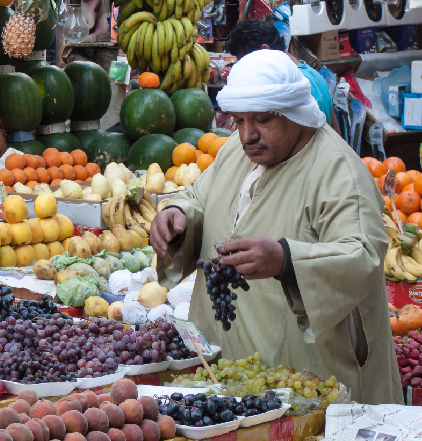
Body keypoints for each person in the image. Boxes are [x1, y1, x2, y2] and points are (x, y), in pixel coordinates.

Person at [150, 50, 402, 405]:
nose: (248, 134)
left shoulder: (338, 171)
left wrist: (286, 260)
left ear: (292, 112)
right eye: (239, 121)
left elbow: (363, 255)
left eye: (263, 120)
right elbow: (199, 196)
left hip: (306, 379)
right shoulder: (237, 150)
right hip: (230, 369)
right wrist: (176, 215)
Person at [225, 20, 341, 135]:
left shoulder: (288, 84)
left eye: (243, 60)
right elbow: (335, 132)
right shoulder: (315, 75)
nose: (241, 68)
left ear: (264, 51)